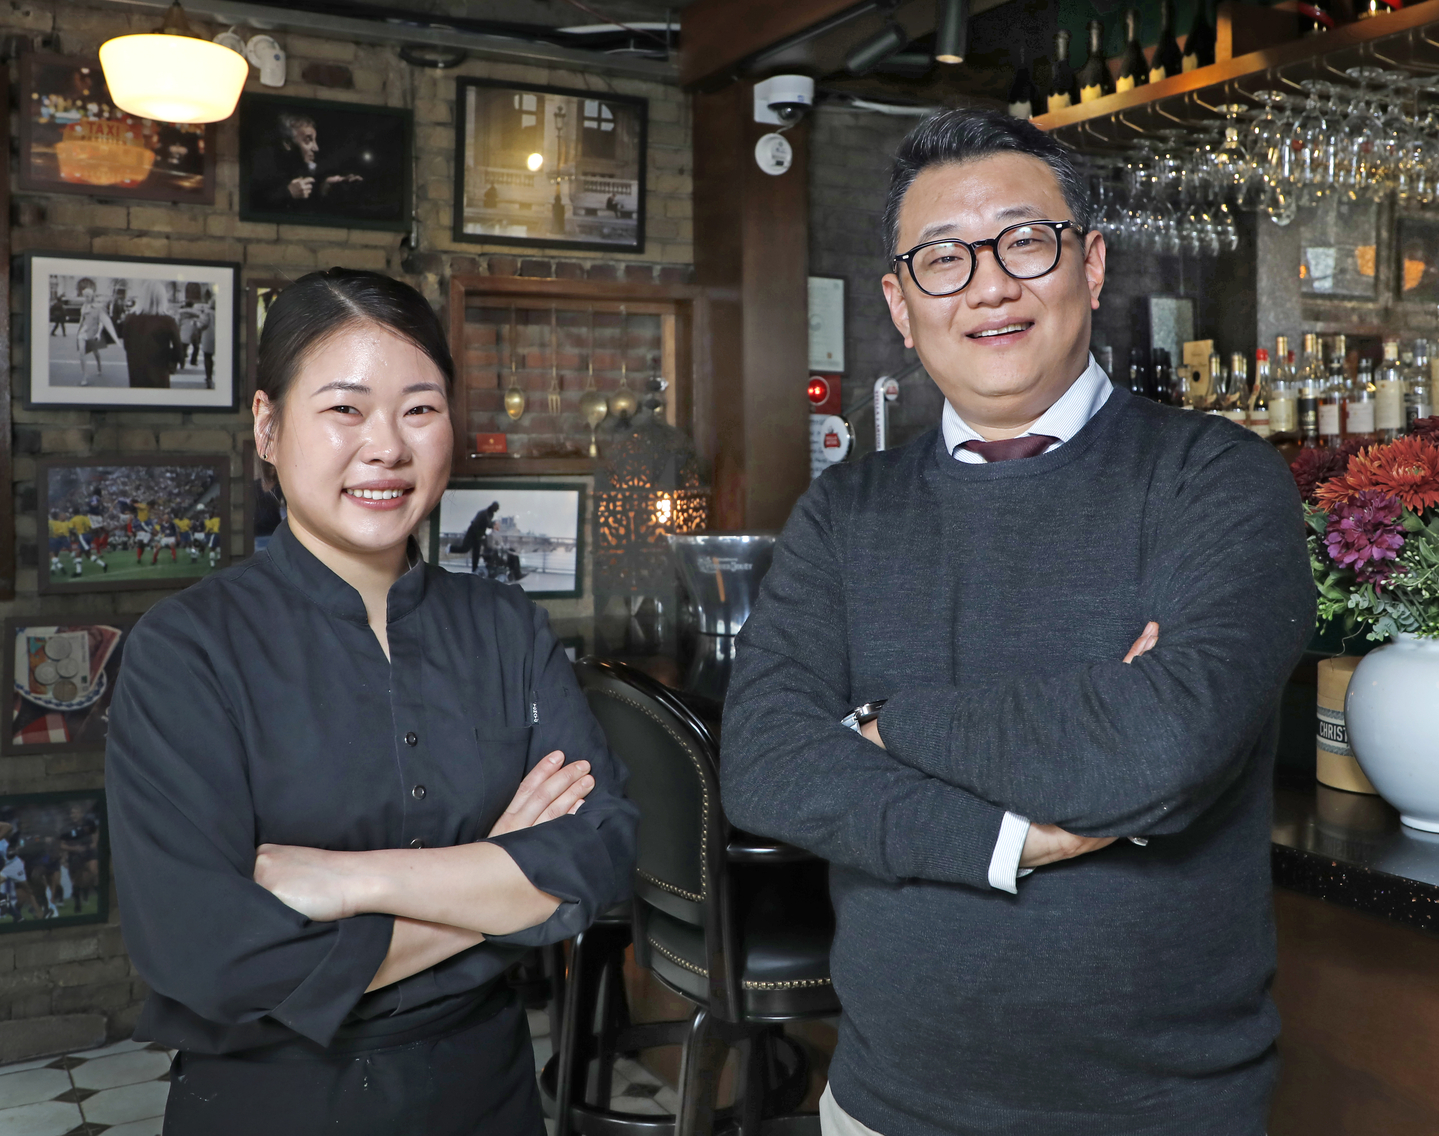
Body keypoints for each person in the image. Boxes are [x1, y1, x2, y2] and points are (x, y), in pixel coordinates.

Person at [720, 109, 1315, 1136]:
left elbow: (1157, 746)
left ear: (1088, 265)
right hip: (882, 1102)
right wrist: (1013, 837)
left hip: (1158, 1111)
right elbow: (766, 763)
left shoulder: (1214, 482)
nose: (988, 285)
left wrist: (881, 724)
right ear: (900, 308)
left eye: (1022, 242)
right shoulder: (844, 512)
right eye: (942, 259)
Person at [106, 268, 638, 1136]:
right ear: (267, 427)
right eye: (345, 410)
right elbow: (208, 954)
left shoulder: (507, 626)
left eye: (420, 409)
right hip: (273, 1098)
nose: (386, 446)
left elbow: (598, 856)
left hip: (487, 1088)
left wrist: (348, 882)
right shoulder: (187, 649)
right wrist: (496, 882)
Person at [249, 112, 363, 213]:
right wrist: (287, 192)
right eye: (308, 140)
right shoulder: (265, 169)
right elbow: (252, 203)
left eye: (315, 140)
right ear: (287, 144)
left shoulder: (305, 171)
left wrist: (325, 188)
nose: (316, 148)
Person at [121, 280, 184, 389]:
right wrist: (173, 362)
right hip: (159, 371)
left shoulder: (130, 318)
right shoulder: (167, 320)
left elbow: (126, 345)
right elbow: (178, 349)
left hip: (136, 371)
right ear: (162, 298)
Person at [75, 278, 119, 385]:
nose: (86, 298)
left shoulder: (97, 307)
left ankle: (99, 367)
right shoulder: (83, 307)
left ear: (92, 297)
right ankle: (84, 376)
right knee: (81, 353)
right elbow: (81, 320)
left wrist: (99, 333)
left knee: (96, 352)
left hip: (93, 332)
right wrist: (78, 332)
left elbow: (101, 322)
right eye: (85, 296)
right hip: (83, 332)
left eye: (88, 296)